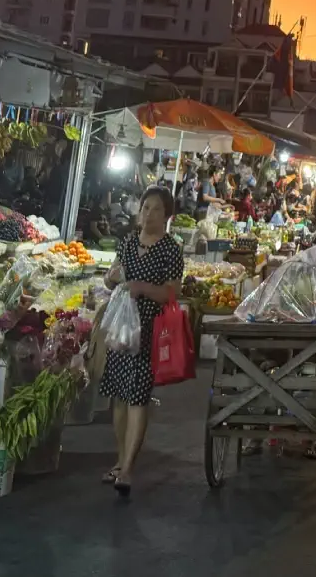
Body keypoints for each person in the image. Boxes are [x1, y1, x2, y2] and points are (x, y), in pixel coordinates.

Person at [101, 186, 184, 497]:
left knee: (137, 398)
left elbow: (171, 294)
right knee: (119, 398)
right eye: (145, 207)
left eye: (156, 209)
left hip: (148, 330)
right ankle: (120, 459)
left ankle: (128, 468)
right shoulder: (127, 243)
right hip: (121, 330)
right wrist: (111, 279)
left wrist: (142, 288)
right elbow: (112, 278)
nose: (148, 214)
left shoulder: (170, 250)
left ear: (167, 216)